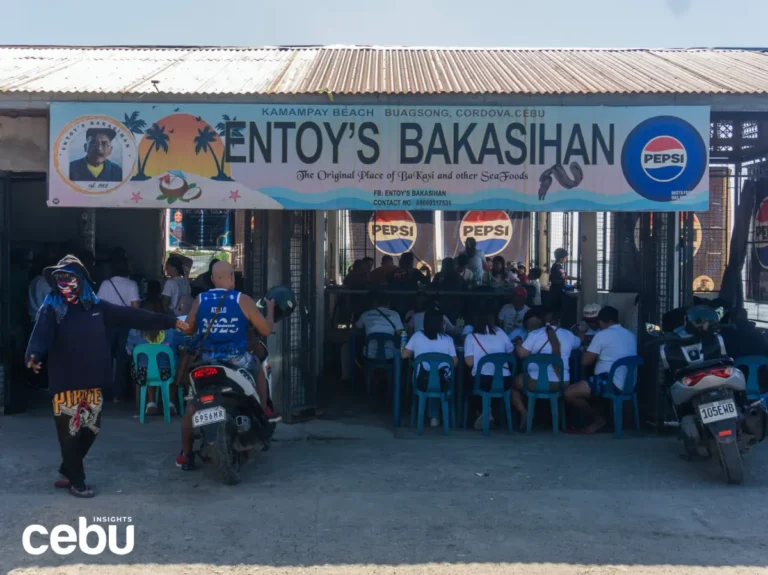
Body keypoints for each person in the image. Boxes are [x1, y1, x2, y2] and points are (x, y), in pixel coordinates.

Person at [25, 255, 185, 497]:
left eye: (69, 277)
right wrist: (33, 355)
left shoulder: (98, 307)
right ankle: (77, 482)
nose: (64, 282)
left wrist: (171, 322)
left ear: (80, 280)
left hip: (91, 380)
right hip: (64, 381)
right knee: (69, 432)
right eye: (60, 278)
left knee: (91, 428)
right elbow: (40, 336)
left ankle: (67, 468)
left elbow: (135, 316)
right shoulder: (51, 308)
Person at [177, 261, 279, 471]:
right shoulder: (242, 300)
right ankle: (265, 409)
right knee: (258, 367)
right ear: (232, 277)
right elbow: (266, 330)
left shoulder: (201, 299)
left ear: (213, 279)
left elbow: (187, 330)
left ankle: (186, 455)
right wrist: (270, 310)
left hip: (206, 360)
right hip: (236, 359)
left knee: (192, 406)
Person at [564, 306, 637, 433]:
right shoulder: (630, 334)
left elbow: (585, 361)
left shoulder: (602, 335)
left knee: (569, 393)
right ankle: (601, 419)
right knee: (590, 383)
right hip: (630, 384)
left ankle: (597, 420)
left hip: (610, 383)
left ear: (603, 322)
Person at [514, 310, 580, 430]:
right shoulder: (568, 335)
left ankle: (525, 413)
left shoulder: (535, 334)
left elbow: (521, 354)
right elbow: (579, 343)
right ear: (559, 322)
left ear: (544, 322)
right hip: (562, 383)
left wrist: (518, 343)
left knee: (513, 386)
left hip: (534, 382)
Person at [126, 298, 183, 416]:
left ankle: (151, 402)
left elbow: (130, 352)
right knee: (175, 365)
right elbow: (181, 347)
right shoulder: (172, 331)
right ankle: (171, 402)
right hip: (168, 373)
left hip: (143, 374)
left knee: (147, 365)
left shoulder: (134, 331)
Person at [402, 308, 458, 427]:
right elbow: (454, 362)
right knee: (438, 380)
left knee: (430, 380)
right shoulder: (448, 340)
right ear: (441, 323)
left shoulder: (417, 336)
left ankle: (431, 415)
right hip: (443, 382)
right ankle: (435, 416)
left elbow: (404, 355)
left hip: (420, 381)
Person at [463, 303, 515, 430]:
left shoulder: (471, 337)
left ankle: (481, 412)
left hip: (484, 381)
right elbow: (511, 352)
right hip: (505, 380)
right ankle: (489, 412)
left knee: (468, 381)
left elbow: (469, 363)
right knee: (490, 381)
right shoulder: (501, 333)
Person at [97, 255, 141, 401]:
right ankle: (119, 393)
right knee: (122, 359)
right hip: (125, 325)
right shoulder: (132, 285)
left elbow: (98, 305)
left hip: (108, 325)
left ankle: (103, 392)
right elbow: (135, 307)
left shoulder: (105, 284)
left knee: (105, 359)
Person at [355, 293, 404, 360]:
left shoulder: (365, 314)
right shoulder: (395, 314)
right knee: (399, 352)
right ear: (388, 303)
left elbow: (357, 328)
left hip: (370, 353)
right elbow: (400, 333)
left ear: (375, 303)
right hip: (389, 354)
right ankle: (398, 370)